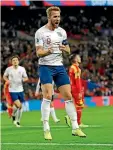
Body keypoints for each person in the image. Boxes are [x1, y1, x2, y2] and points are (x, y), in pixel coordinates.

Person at [35, 6, 86, 140]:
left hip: (59, 67)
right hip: (45, 66)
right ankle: (46, 128)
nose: (57, 19)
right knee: (48, 95)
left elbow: (68, 49)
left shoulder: (62, 32)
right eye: (55, 17)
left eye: (58, 16)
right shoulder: (40, 32)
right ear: (49, 17)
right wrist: (48, 51)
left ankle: (75, 127)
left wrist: (65, 49)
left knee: (68, 96)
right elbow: (38, 52)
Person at [3, 55, 28, 127]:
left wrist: (22, 80)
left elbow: (26, 78)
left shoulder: (22, 69)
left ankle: (16, 118)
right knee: (19, 105)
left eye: (16, 60)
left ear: (18, 61)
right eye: (13, 60)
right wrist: (7, 81)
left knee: (18, 107)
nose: (15, 61)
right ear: (11, 62)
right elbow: (4, 76)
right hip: (12, 90)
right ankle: (16, 121)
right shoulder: (8, 69)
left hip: (20, 90)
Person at [65, 54, 89, 128]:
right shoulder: (76, 68)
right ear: (75, 59)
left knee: (75, 105)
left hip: (72, 87)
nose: (80, 58)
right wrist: (79, 91)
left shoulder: (71, 67)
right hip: (76, 89)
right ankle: (77, 122)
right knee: (79, 106)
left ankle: (70, 117)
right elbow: (77, 81)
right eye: (78, 57)